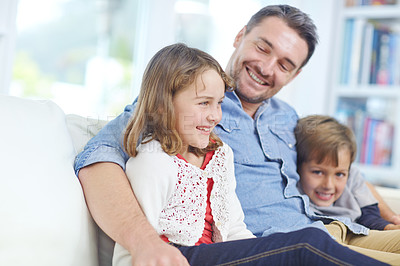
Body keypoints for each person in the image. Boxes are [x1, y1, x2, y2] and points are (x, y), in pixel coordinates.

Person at [74, 4, 398, 265]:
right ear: (240, 35)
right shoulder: (184, 107)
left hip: (334, 228)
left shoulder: (287, 117)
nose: (268, 68)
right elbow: (97, 158)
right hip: (280, 246)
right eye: (262, 47)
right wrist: (143, 242)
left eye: (285, 65)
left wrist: (388, 216)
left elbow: (343, 168)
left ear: (296, 74)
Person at [295, 115, 400, 264]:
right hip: (321, 234)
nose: (329, 185)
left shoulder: (353, 177)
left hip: (355, 231)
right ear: (298, 167)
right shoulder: (292, 188)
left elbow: (369, 214)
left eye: (339, 174)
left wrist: (389, 227)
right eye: (318, 172)